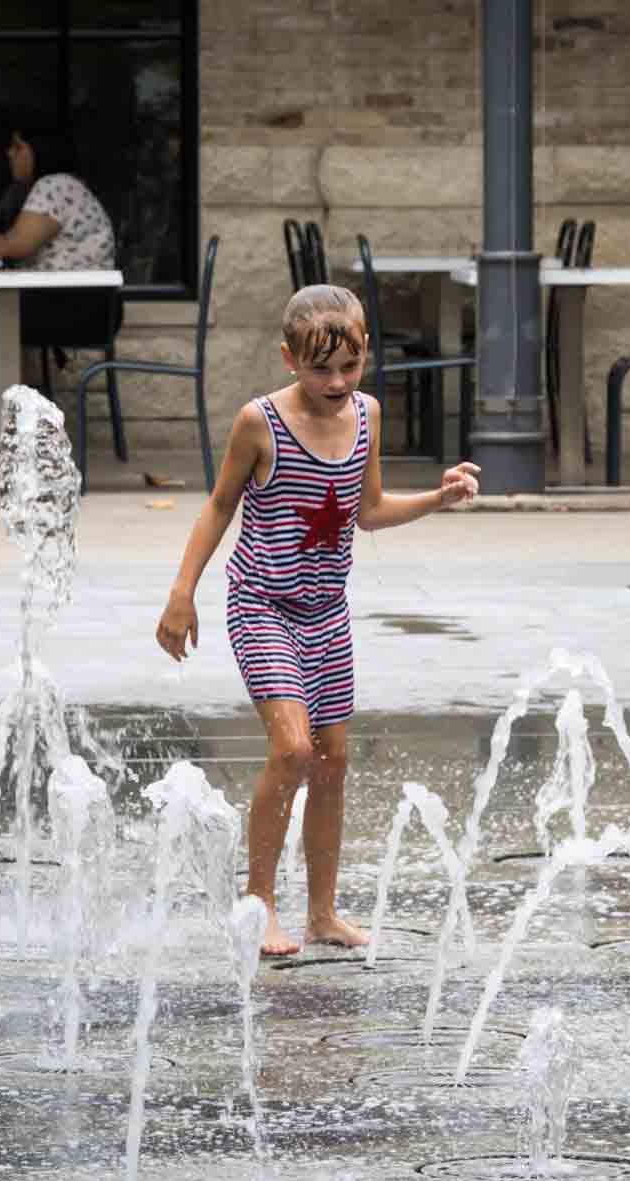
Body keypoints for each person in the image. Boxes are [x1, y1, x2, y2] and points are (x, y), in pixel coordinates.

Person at [154, 285, 480, 956]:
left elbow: (369, 510)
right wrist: (182, 591)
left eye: (350, 365)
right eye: (320, 367)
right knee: (293, 750)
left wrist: (438, 499)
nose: (336, 382)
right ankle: (260, 902)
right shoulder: (259, 423)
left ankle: (324, 914)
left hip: (326, 611)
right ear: (289, 357)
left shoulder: (367, 416)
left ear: (366, 356)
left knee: (333, 760)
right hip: (262, 604)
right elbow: (218, 506)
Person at [0, 129, 118, 460]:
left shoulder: (54, 185)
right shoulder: (65, 186)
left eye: (18, 147)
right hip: (91, 305)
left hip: (77, 304)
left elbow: (16, 244)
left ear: (38, 150)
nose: (10, 154)